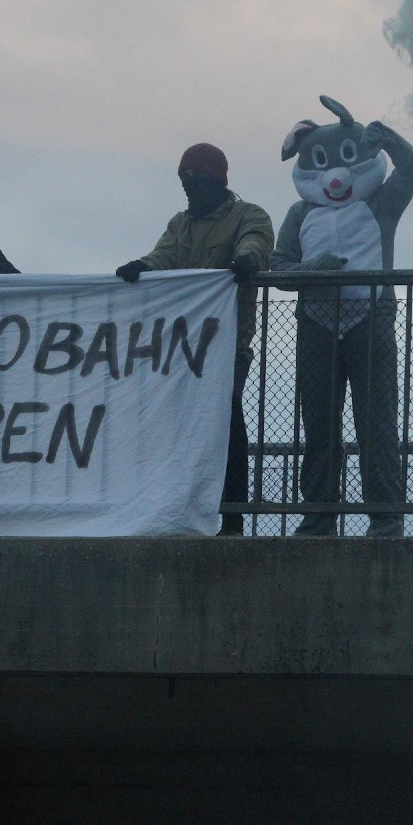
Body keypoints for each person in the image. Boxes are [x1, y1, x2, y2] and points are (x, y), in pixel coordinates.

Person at [270, 97, 413, 537]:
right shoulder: (299, 214)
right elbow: (278, 268)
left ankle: (385, 515)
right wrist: (310, 271)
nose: (335, 174)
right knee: (319, 422)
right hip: (316, 322)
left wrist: (389, 139)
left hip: (370, 320)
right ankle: (320, 513)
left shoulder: (381, 204)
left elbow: (411, 171)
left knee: (376, 421)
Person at [116, 143, 275, 535]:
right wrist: (141, 267)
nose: (190, 187)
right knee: (178, 426)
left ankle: (232, 513)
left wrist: (246, 260)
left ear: (218, 179)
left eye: (197, 178)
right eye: (184, 180)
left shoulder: (248, 215)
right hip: (181, 349)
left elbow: (256, 242)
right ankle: (177, 510)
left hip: (227, 345)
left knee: (226, 420)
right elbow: (164, 258)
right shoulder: (179, 225)